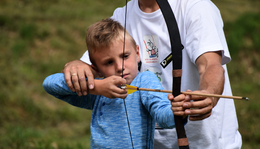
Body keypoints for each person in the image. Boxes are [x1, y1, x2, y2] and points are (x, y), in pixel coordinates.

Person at [62, 0, 242, 148]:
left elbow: (211, 64)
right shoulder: (121, 16)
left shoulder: (196, 7)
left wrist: (208, 95)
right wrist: (76, 65)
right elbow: (90, 67)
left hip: (206, 142)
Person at [43, 18, 187, 149]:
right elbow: (49, 84)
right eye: (109, 62)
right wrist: (98, 87)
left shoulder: (145, 80)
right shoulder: (98, 90)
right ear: (96, 68)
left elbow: (163, 116)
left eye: (125, 56)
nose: (119, 66)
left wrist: (178, 110)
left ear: (137, 53)